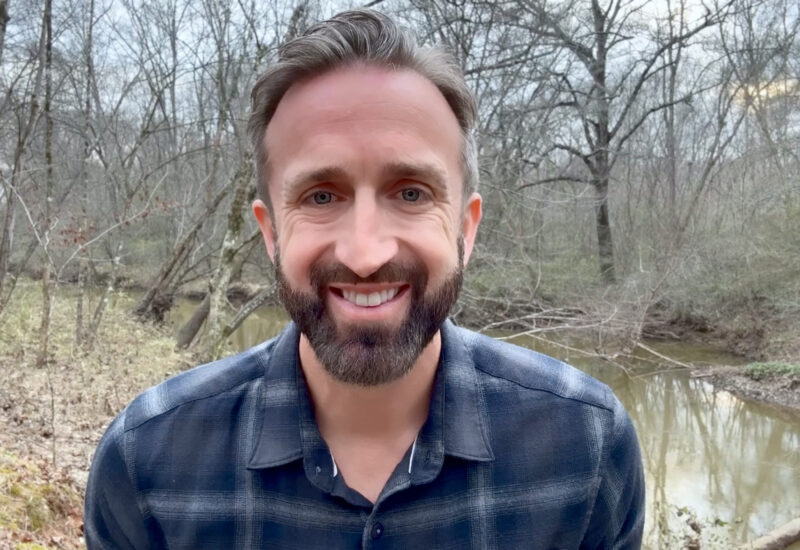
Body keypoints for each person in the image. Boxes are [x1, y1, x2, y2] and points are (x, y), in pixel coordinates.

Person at [84, 9, 644, 549]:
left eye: (411, 193)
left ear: (465, 229)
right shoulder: (144, 464)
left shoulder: (587, 448)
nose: (366, 253)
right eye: (321, 197)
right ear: (271, 233)